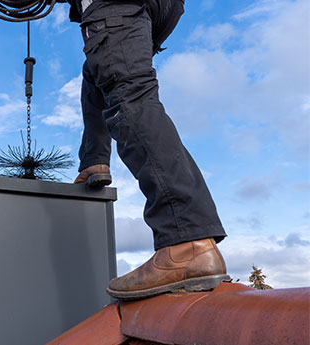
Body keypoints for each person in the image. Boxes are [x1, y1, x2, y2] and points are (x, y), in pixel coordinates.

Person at [59, 0, 230, 299]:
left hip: (114, 5)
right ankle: (94, 159)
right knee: (98, 71)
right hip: (159, 8)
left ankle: (187, 244)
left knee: (130, 98)